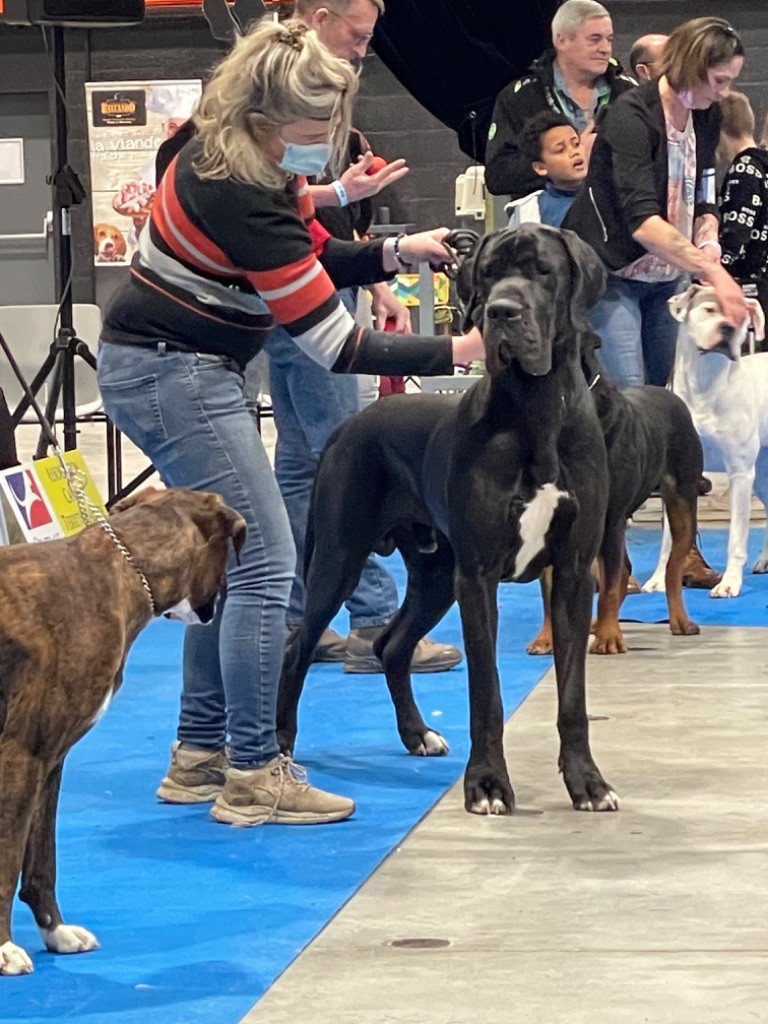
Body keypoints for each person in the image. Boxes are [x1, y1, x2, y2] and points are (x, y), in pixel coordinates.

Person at [96, 17, 485, 828]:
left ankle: (200, 754)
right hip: (177, 373)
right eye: (316, 133)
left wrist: (391, 253)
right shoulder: (240, 187)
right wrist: (460, 348)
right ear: (269, 124)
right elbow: (334, 342)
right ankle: (253, 772)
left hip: (172, 364)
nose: (326, 146)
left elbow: (310, 250)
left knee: (227, 560)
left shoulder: (232, 156)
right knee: (268, 565)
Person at [266, 0, 461, 673]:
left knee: (298, 462)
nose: (365, 47)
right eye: (358, 33)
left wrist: (378, 263)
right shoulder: (282, 88)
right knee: (349, 454)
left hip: (296, 289)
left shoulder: (305, 96)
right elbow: (288, 229)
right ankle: (374, 620)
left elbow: (306, 223)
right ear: (319, 16)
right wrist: (457, 352)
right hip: (279, 301)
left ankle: (303, 615)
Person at [563, 16, 748, 393]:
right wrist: (716, 276)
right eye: (719, 81)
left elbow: (704, 192)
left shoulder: (707, 114)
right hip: (614, 271)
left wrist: (709, 242)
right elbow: (643, 222)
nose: (725, 92)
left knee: (664, 393)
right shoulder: (630, 116)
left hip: (667, 277)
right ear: (692, 67)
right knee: (630, 397)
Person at [484, 0, 635, 201]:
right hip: (546, 224)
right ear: (561, 40)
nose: (605, 49)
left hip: (615, 222)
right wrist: (565, 160)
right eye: (595, 39)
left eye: (609, 39)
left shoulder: (629, 93)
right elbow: (498, 175)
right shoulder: (520, 97)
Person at [718, 91, 768, 324]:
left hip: (750, 285)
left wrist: (711, 272)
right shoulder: (763, 166)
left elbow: (736, 234)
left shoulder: (743, 171)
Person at [505, 111, 587, 228]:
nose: (574, 152)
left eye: (576, 144)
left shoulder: (608, 195)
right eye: (560, 150)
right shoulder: (527, 213)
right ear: (540, 167)